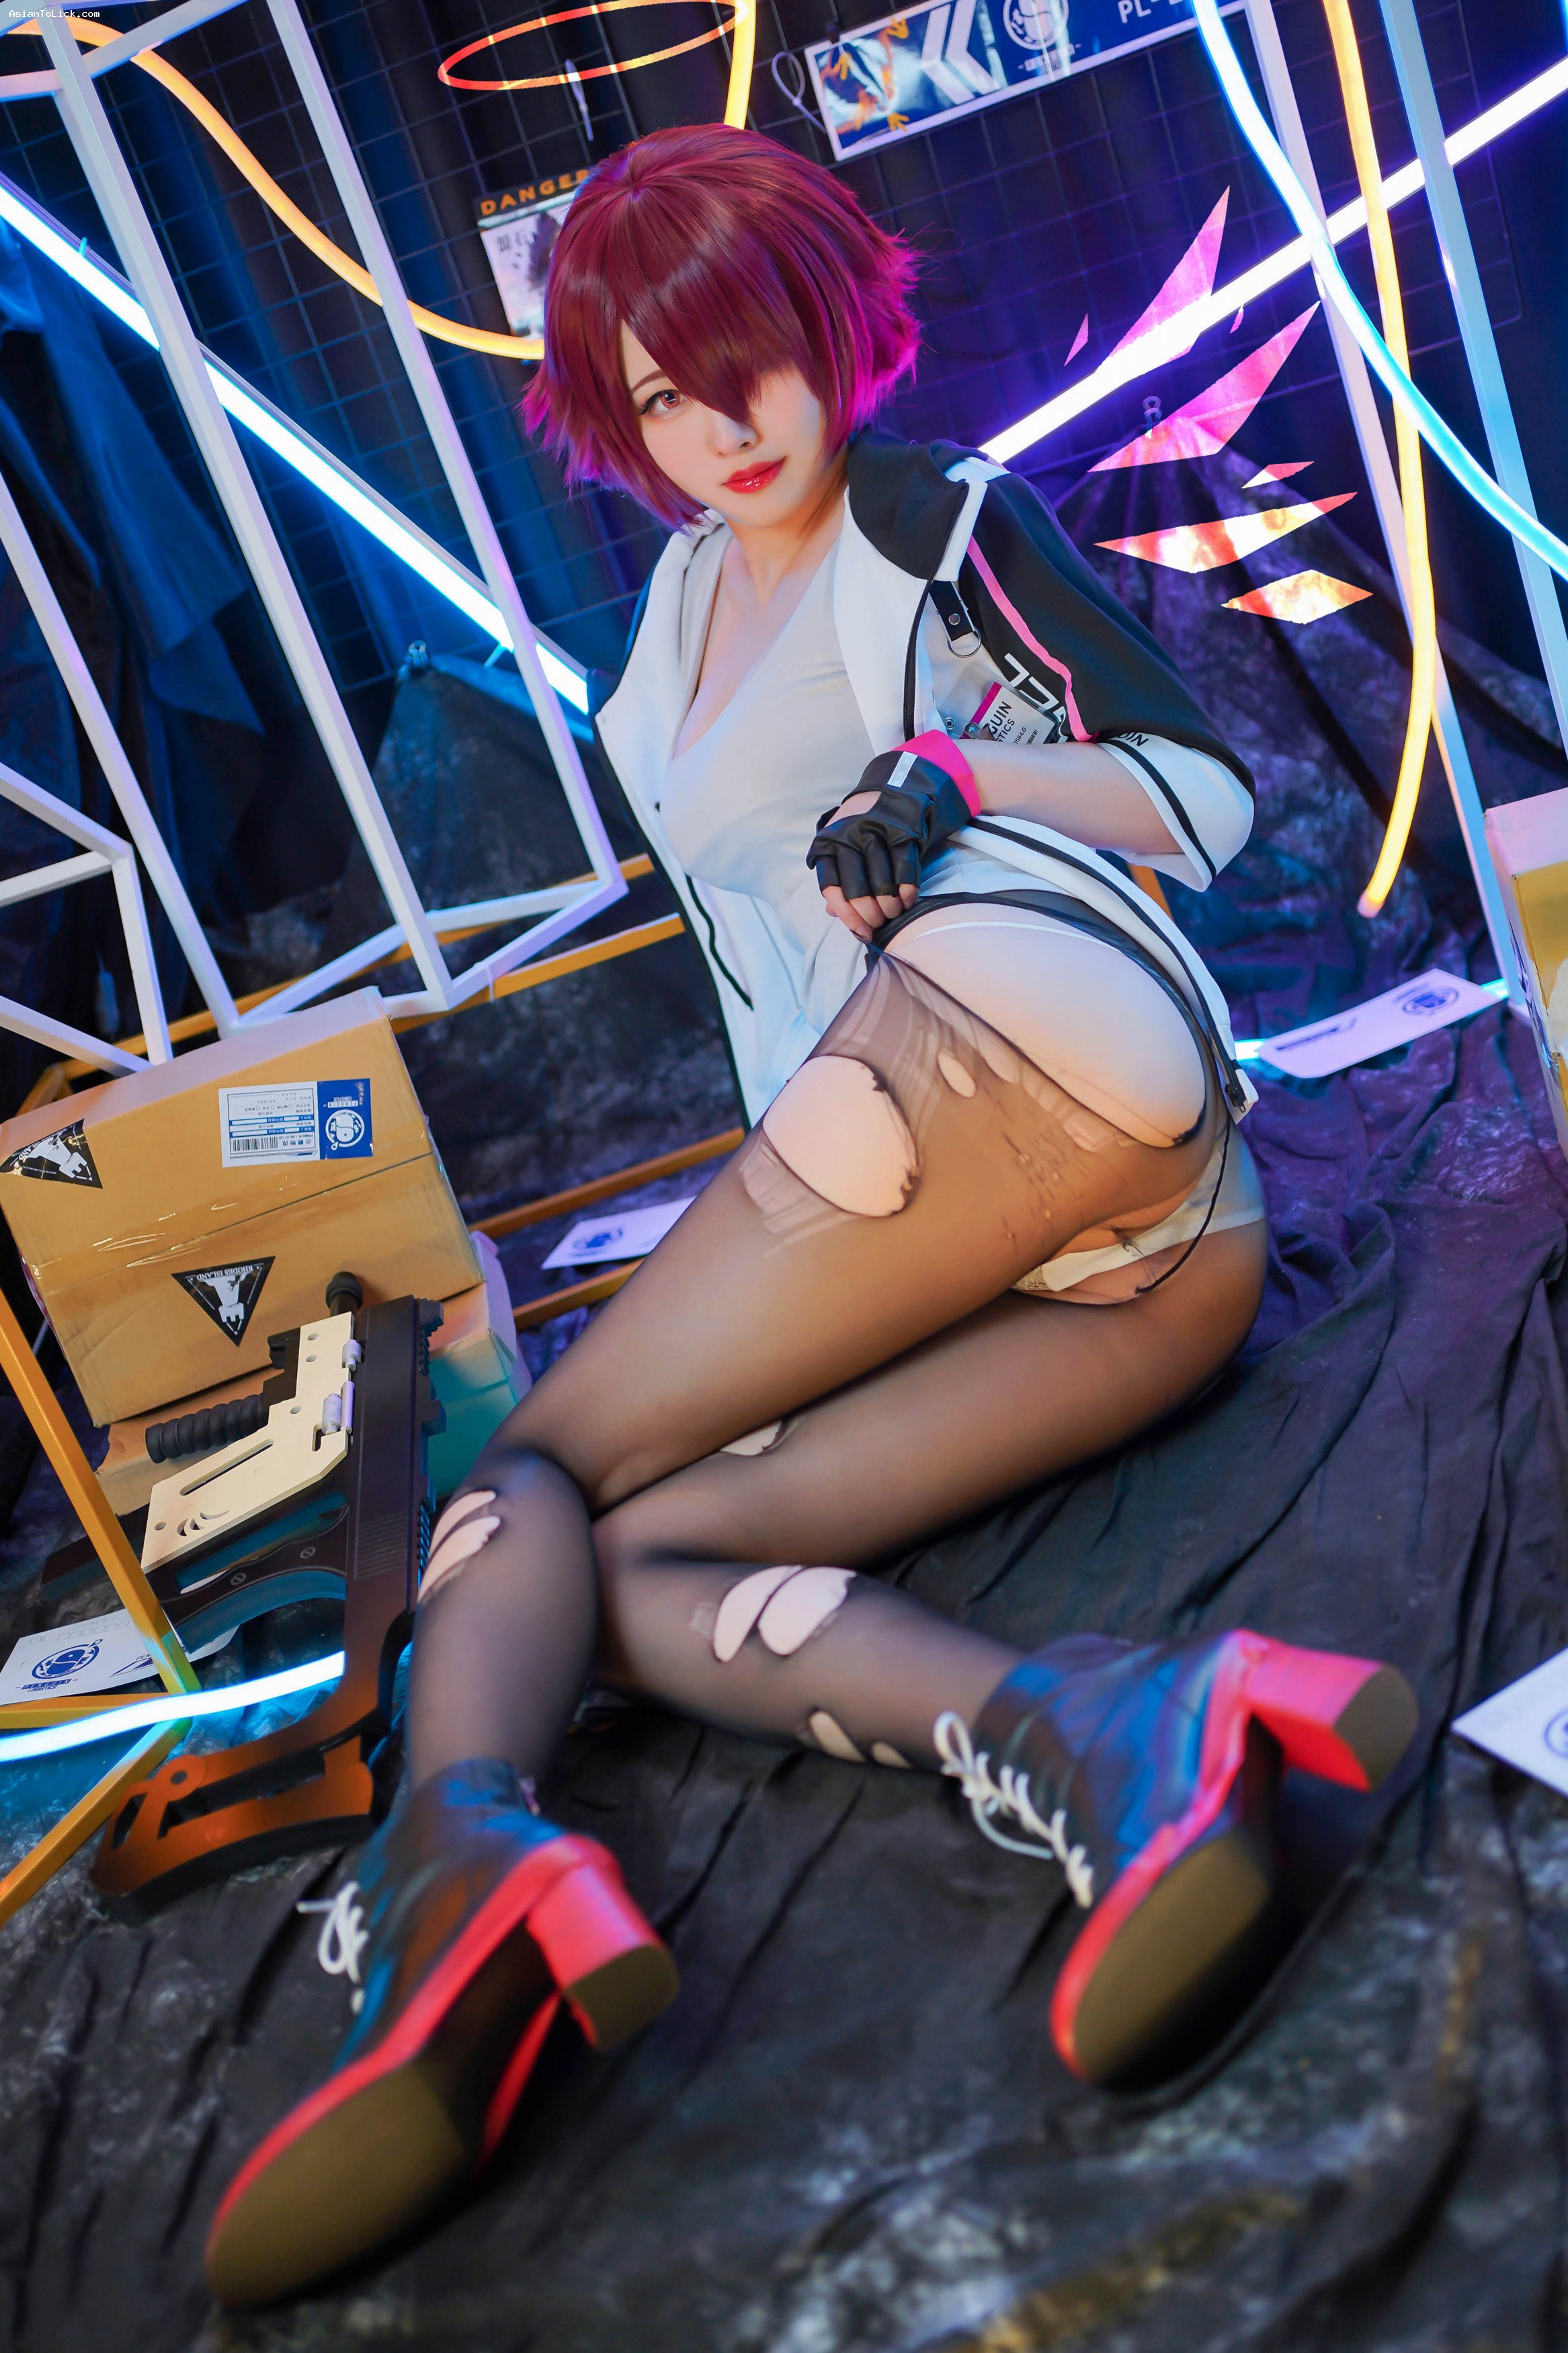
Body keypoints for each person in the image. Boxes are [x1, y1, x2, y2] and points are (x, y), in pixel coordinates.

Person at [204, 125, 1415, 2307]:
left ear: (831, 324)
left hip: (1035, 1048)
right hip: (1099, 1269)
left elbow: (1210, 797)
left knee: (532, 1465)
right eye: (662, 395)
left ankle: (452, 1864)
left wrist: (957, 773)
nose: (722, 426)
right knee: (630, 1561)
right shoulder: (680, 600)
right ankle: (1104, 1733)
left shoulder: (930, 518)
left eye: (746, 358)